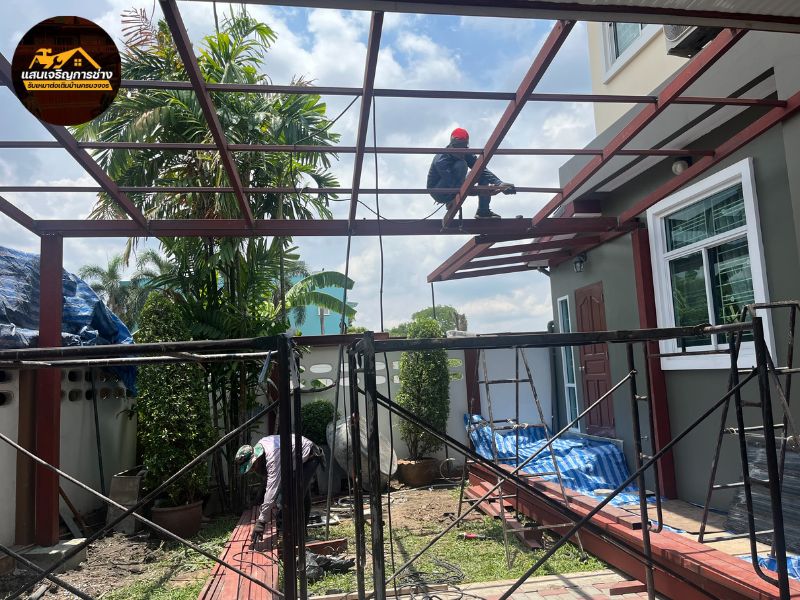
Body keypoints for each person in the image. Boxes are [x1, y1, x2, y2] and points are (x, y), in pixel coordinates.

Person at [235, 434, 324, 544]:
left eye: (252, 466)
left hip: (310, 456)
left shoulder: (272, 457)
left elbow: (272, 489)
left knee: (294, 498)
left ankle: (297, 538)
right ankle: (300, 534)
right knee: (298, 496)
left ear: (256, 457)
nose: (252, 470)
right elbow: (273, 482)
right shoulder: (261, 448)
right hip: (295, 458)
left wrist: (261, 522)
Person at [427, 127, 516, 219]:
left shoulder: (466, 153)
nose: (460, 151)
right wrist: (480, 191)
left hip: (456, 185)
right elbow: (453, 183)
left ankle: (483, 211)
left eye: (463, 147)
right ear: (452, 145)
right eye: (458, 147)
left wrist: (499, 184)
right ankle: (450, 199)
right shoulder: (441, 160)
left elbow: (481, 168)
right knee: (461, 164)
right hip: (440, 192)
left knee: (480, 173)